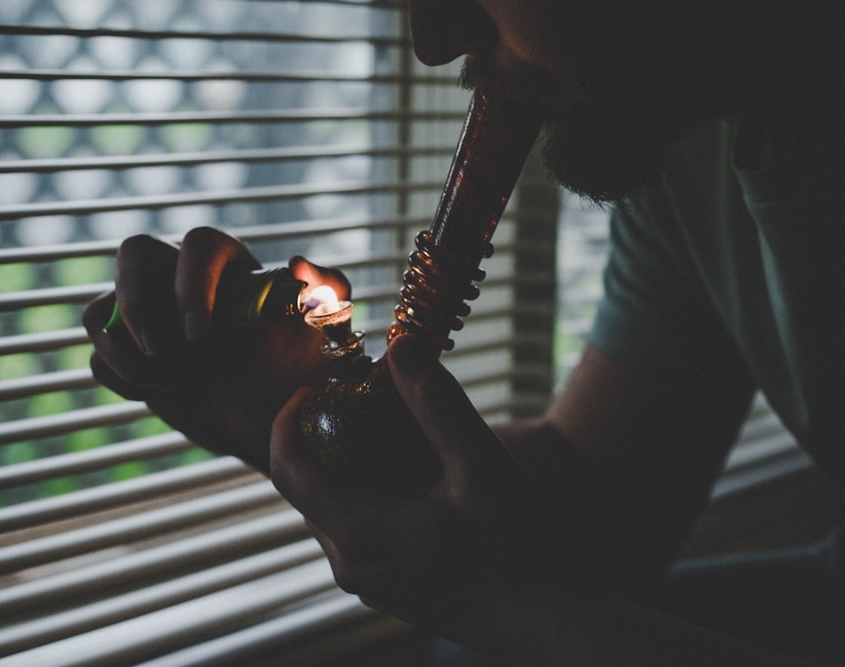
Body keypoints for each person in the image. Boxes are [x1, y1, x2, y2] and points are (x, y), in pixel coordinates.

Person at [84, 1, 845, 664]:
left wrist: (526, 614)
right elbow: (611, 494)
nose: (433, 36)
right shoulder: (685, 127)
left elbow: (542, 581)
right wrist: (294, 421)